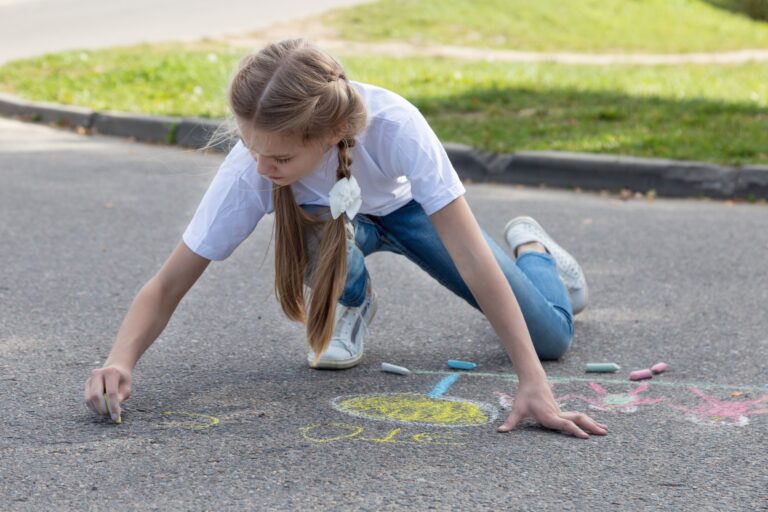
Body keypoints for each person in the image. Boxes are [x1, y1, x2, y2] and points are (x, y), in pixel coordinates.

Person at [84, 38, 607, 439]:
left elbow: (470, 254)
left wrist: (533, 381)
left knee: (552, 339)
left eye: (281, 158)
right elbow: (169, 283)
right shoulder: (255, 168)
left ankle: (534, 249)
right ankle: (351, 303)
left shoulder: (397, 126)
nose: (262, 167)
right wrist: (119, 361)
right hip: (335, 223)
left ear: (332, 133)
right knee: (317, 226)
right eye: (250, 147)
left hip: (407, 212)